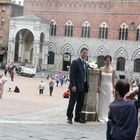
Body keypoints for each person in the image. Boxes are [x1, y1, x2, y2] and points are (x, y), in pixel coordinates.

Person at [66, 47, 89, 124]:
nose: (85, 54)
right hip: (75, 86)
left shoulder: (85, 63)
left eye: (86, 53)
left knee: (80, 103)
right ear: (80, 53)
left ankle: (77, 118)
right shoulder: (75, 62)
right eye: (84, 53)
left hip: (83, 86)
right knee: (72, 102)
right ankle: (69, 117)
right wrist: (73, 85)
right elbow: (72, 75)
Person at [97, 55, 115, 122]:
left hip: (109, 88)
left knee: (108, 102)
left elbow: (113, 80)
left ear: (111, 61)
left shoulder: (113, 70)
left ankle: (107, 116)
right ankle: (101, 116)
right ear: (104, 61)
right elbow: (99, 79)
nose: (107, 62)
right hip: (102, 87)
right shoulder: (101, 69)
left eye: (109, 60)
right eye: (106, 60)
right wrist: (98, 87)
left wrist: (114, 88)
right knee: (102, 102)